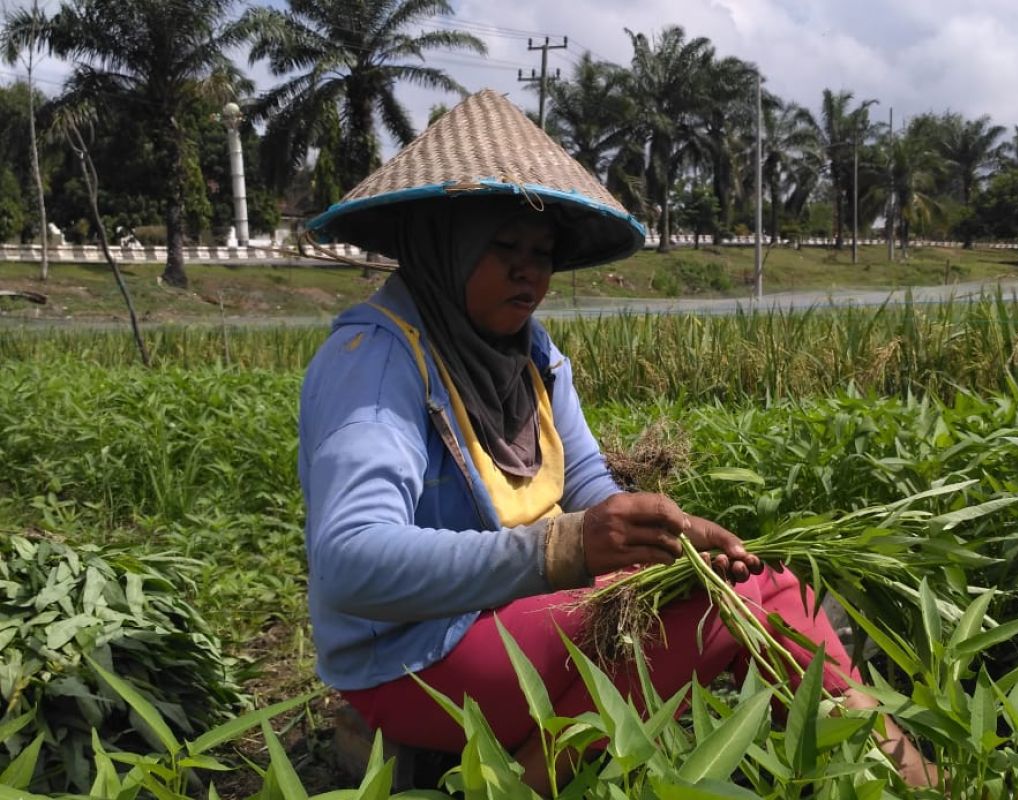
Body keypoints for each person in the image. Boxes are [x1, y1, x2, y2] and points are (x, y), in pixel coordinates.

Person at [299, 89, 934, 794]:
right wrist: (564, 548)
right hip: (415, 655)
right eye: (502, 246)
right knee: (703, 612)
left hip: (509, 617)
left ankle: (893, 772)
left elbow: (589, 487)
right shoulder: (375, 358)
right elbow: (350, 564)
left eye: (542, 252)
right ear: (440, 244)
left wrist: (662, 533)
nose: (529, 272)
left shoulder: (528, 354)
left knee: (756, 582)